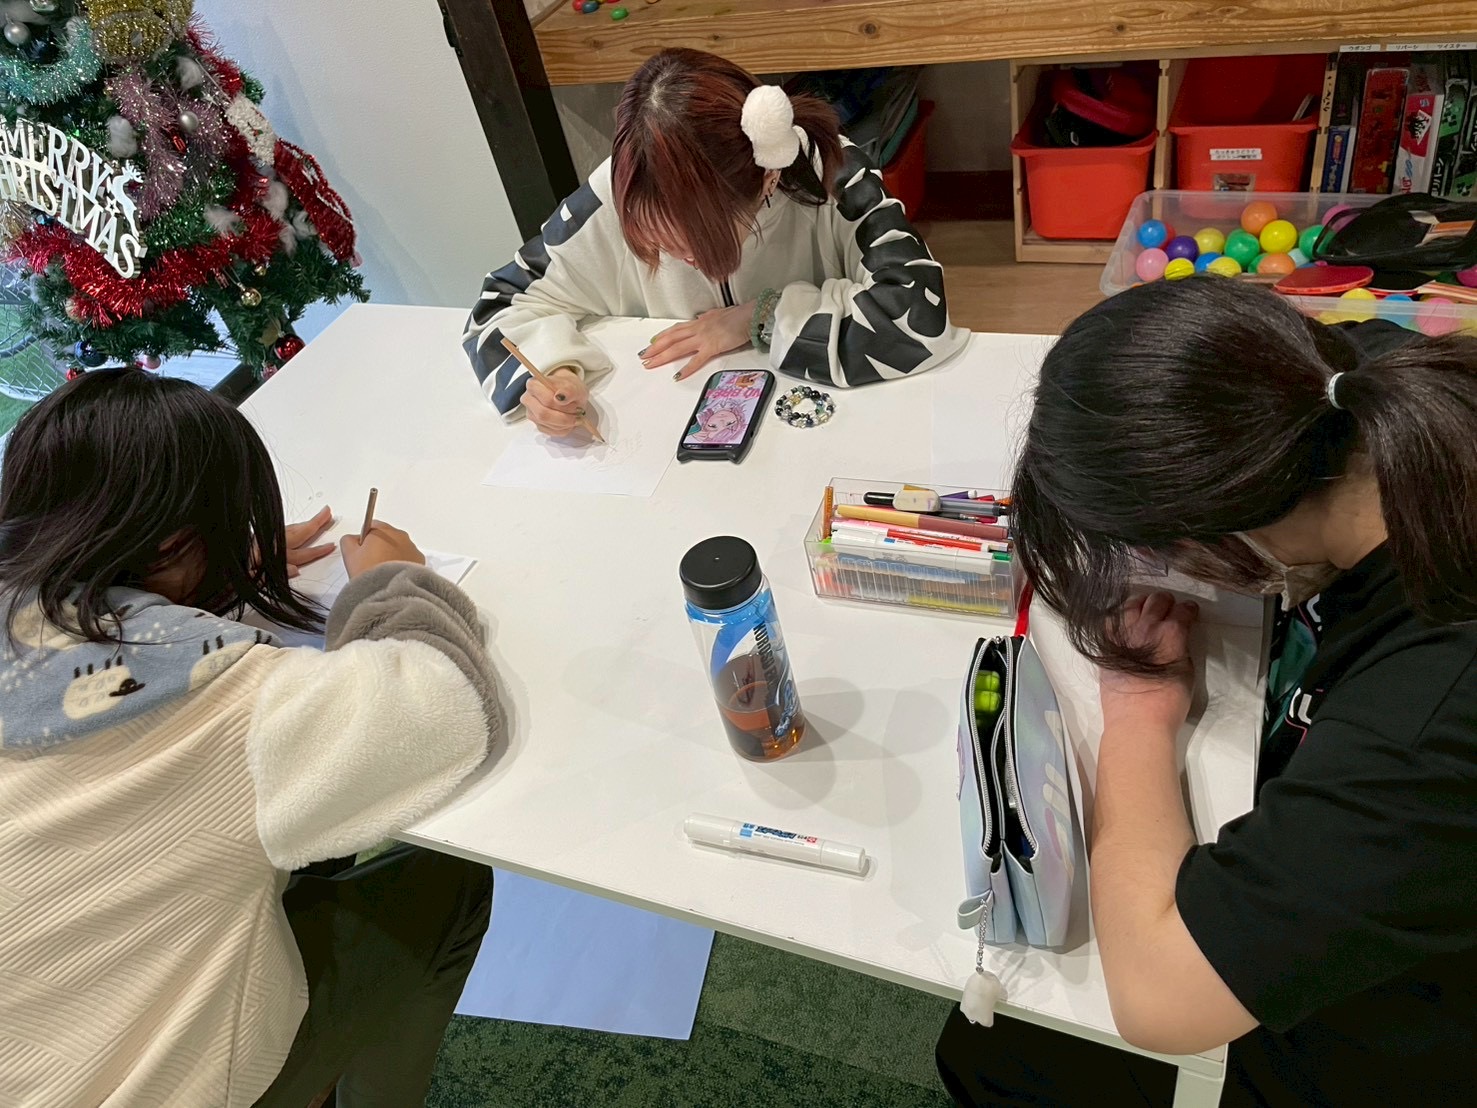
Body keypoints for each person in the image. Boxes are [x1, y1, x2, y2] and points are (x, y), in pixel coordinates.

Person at [937, 279, 1477, 1107]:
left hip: (1422, 1031)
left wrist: (1137, 713)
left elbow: (1160, 1000)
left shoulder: (1424, 716)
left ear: (1207, 531)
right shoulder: (1359, 380)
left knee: (1004, 1053)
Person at [0, 370, 503, 1107]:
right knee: (448, 889)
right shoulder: (231, 699)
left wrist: (198, 574)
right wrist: (393, 578)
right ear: (176, 543)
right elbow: (450, 708)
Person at [463, 47, 967, 438]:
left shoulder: (832, 172)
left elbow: (917, 317)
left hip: (821, 430)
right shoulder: (617, 192)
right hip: (663, 437)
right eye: (656, 240)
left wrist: (760, 316)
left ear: (768, 179)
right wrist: (553, 372)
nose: (685, 259)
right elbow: (499, 305)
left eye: (702, 243)